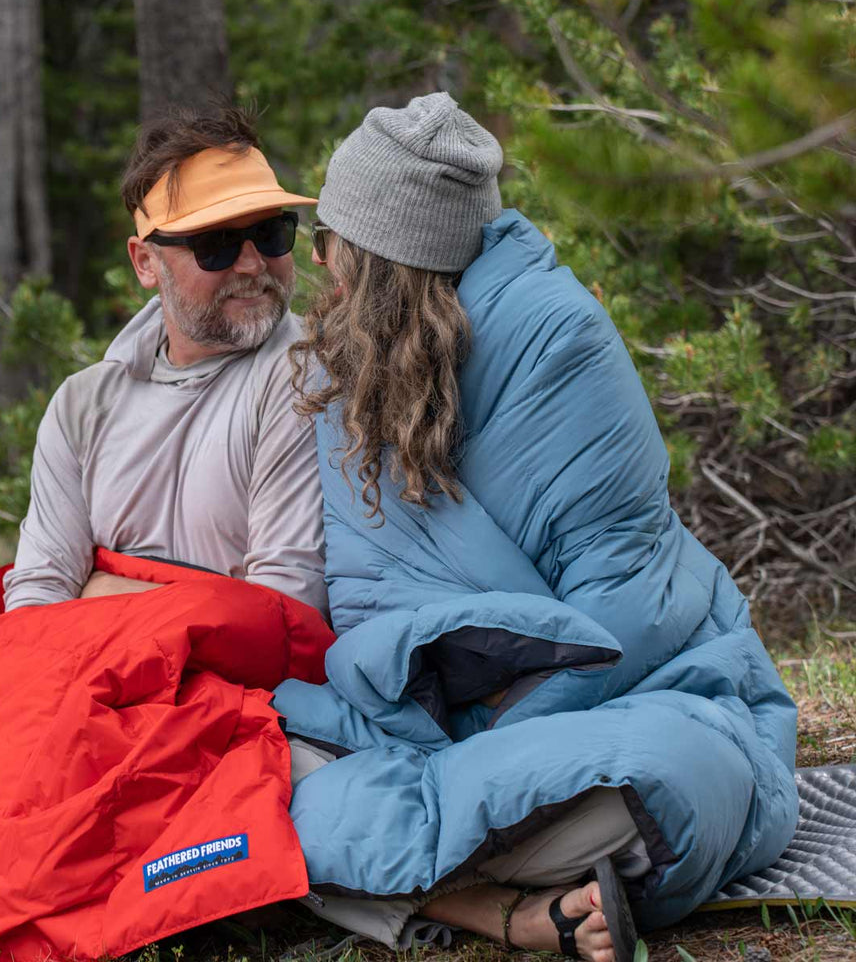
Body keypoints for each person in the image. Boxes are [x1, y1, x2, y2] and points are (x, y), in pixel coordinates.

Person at [276, 92, 797, 962]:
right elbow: (376, 596)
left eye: (325, 241)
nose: (318, 265)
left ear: (375, 257)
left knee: (661, 775)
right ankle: (519, 906)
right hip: (446, 721)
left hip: (633, 686)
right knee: (260, 757)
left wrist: (488, 740)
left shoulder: (557, 341)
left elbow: (630, 603)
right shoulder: (357, 367)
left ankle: (452, 872)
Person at [3, 104, 328, 616]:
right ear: (145, 262)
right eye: (216, 245)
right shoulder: (82, 406)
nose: (251, 263)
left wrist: (103, 591)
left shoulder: (306, 376)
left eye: (270, 233)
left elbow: (286, 610)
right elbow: (35, 600)